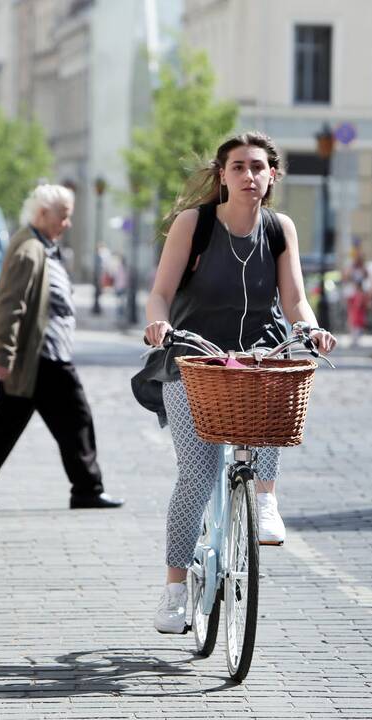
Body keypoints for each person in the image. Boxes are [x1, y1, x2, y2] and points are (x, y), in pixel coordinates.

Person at [135, 132, 336, 634]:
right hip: (193, 358)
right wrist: (158, 325)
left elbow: (294, 300)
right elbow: (159, 293)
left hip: (257, 354)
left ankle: (264, 498)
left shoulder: (278, 228)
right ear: (222, 175)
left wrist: (309, 329)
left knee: (274, 402)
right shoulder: (195, 224)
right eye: (239, 167)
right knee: (197, 476)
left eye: (258, 167)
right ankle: (175, 589)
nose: (250, 175)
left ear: (273, 176)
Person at [0, 184, 124, 510]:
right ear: (43, 214)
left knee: (5, 422)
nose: (67, 224)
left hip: (39, 356)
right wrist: (3, 355)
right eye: (64, 216)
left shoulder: (42, 246)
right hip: (41, 357)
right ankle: (87, 488)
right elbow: (9, 305)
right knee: (76, 419)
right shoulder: (30, 250)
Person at [346, 279, 370, 347]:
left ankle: (356, 339)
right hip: (354, 312)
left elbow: (365, 303)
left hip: (359, 313)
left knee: (358, 326)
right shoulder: (354, 294)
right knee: (354, 325)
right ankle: (354, 339)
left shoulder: (362, 294)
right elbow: (349, 302)